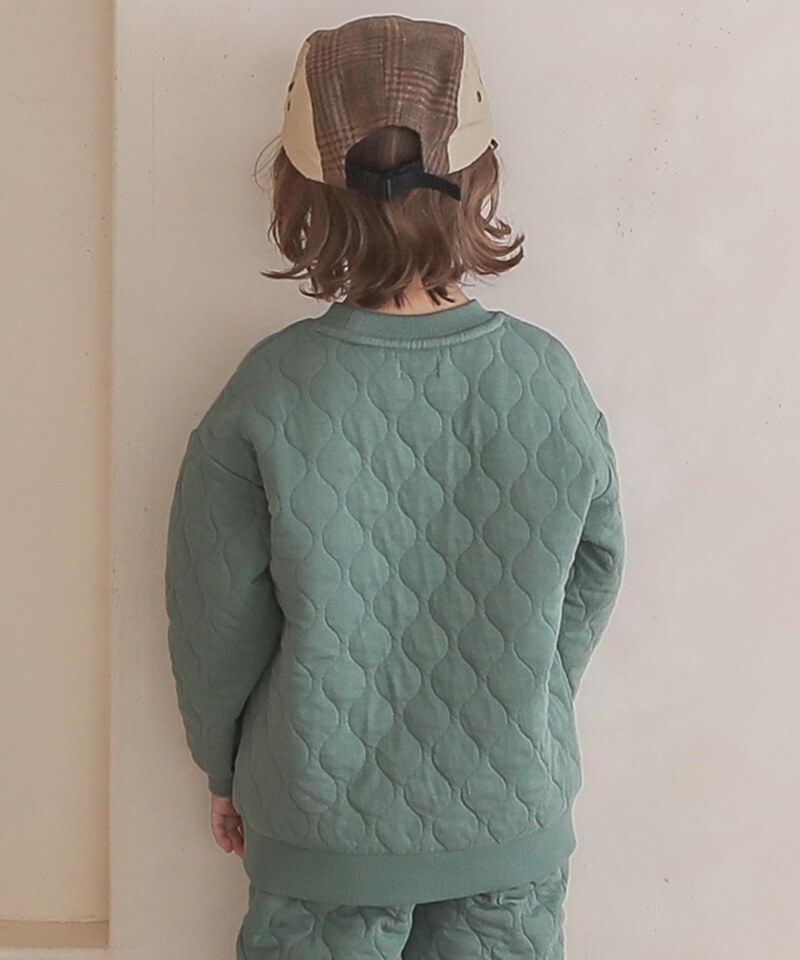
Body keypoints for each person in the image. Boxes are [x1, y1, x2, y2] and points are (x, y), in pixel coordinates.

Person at [164, 14, 626, 960]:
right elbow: (595, 568)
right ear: (479, 177)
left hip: (320, 826)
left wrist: (222, 765)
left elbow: (215, 612)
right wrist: (527, 696)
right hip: (511, 816)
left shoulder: (269, 389)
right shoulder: (547, 378)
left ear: (302, 192)